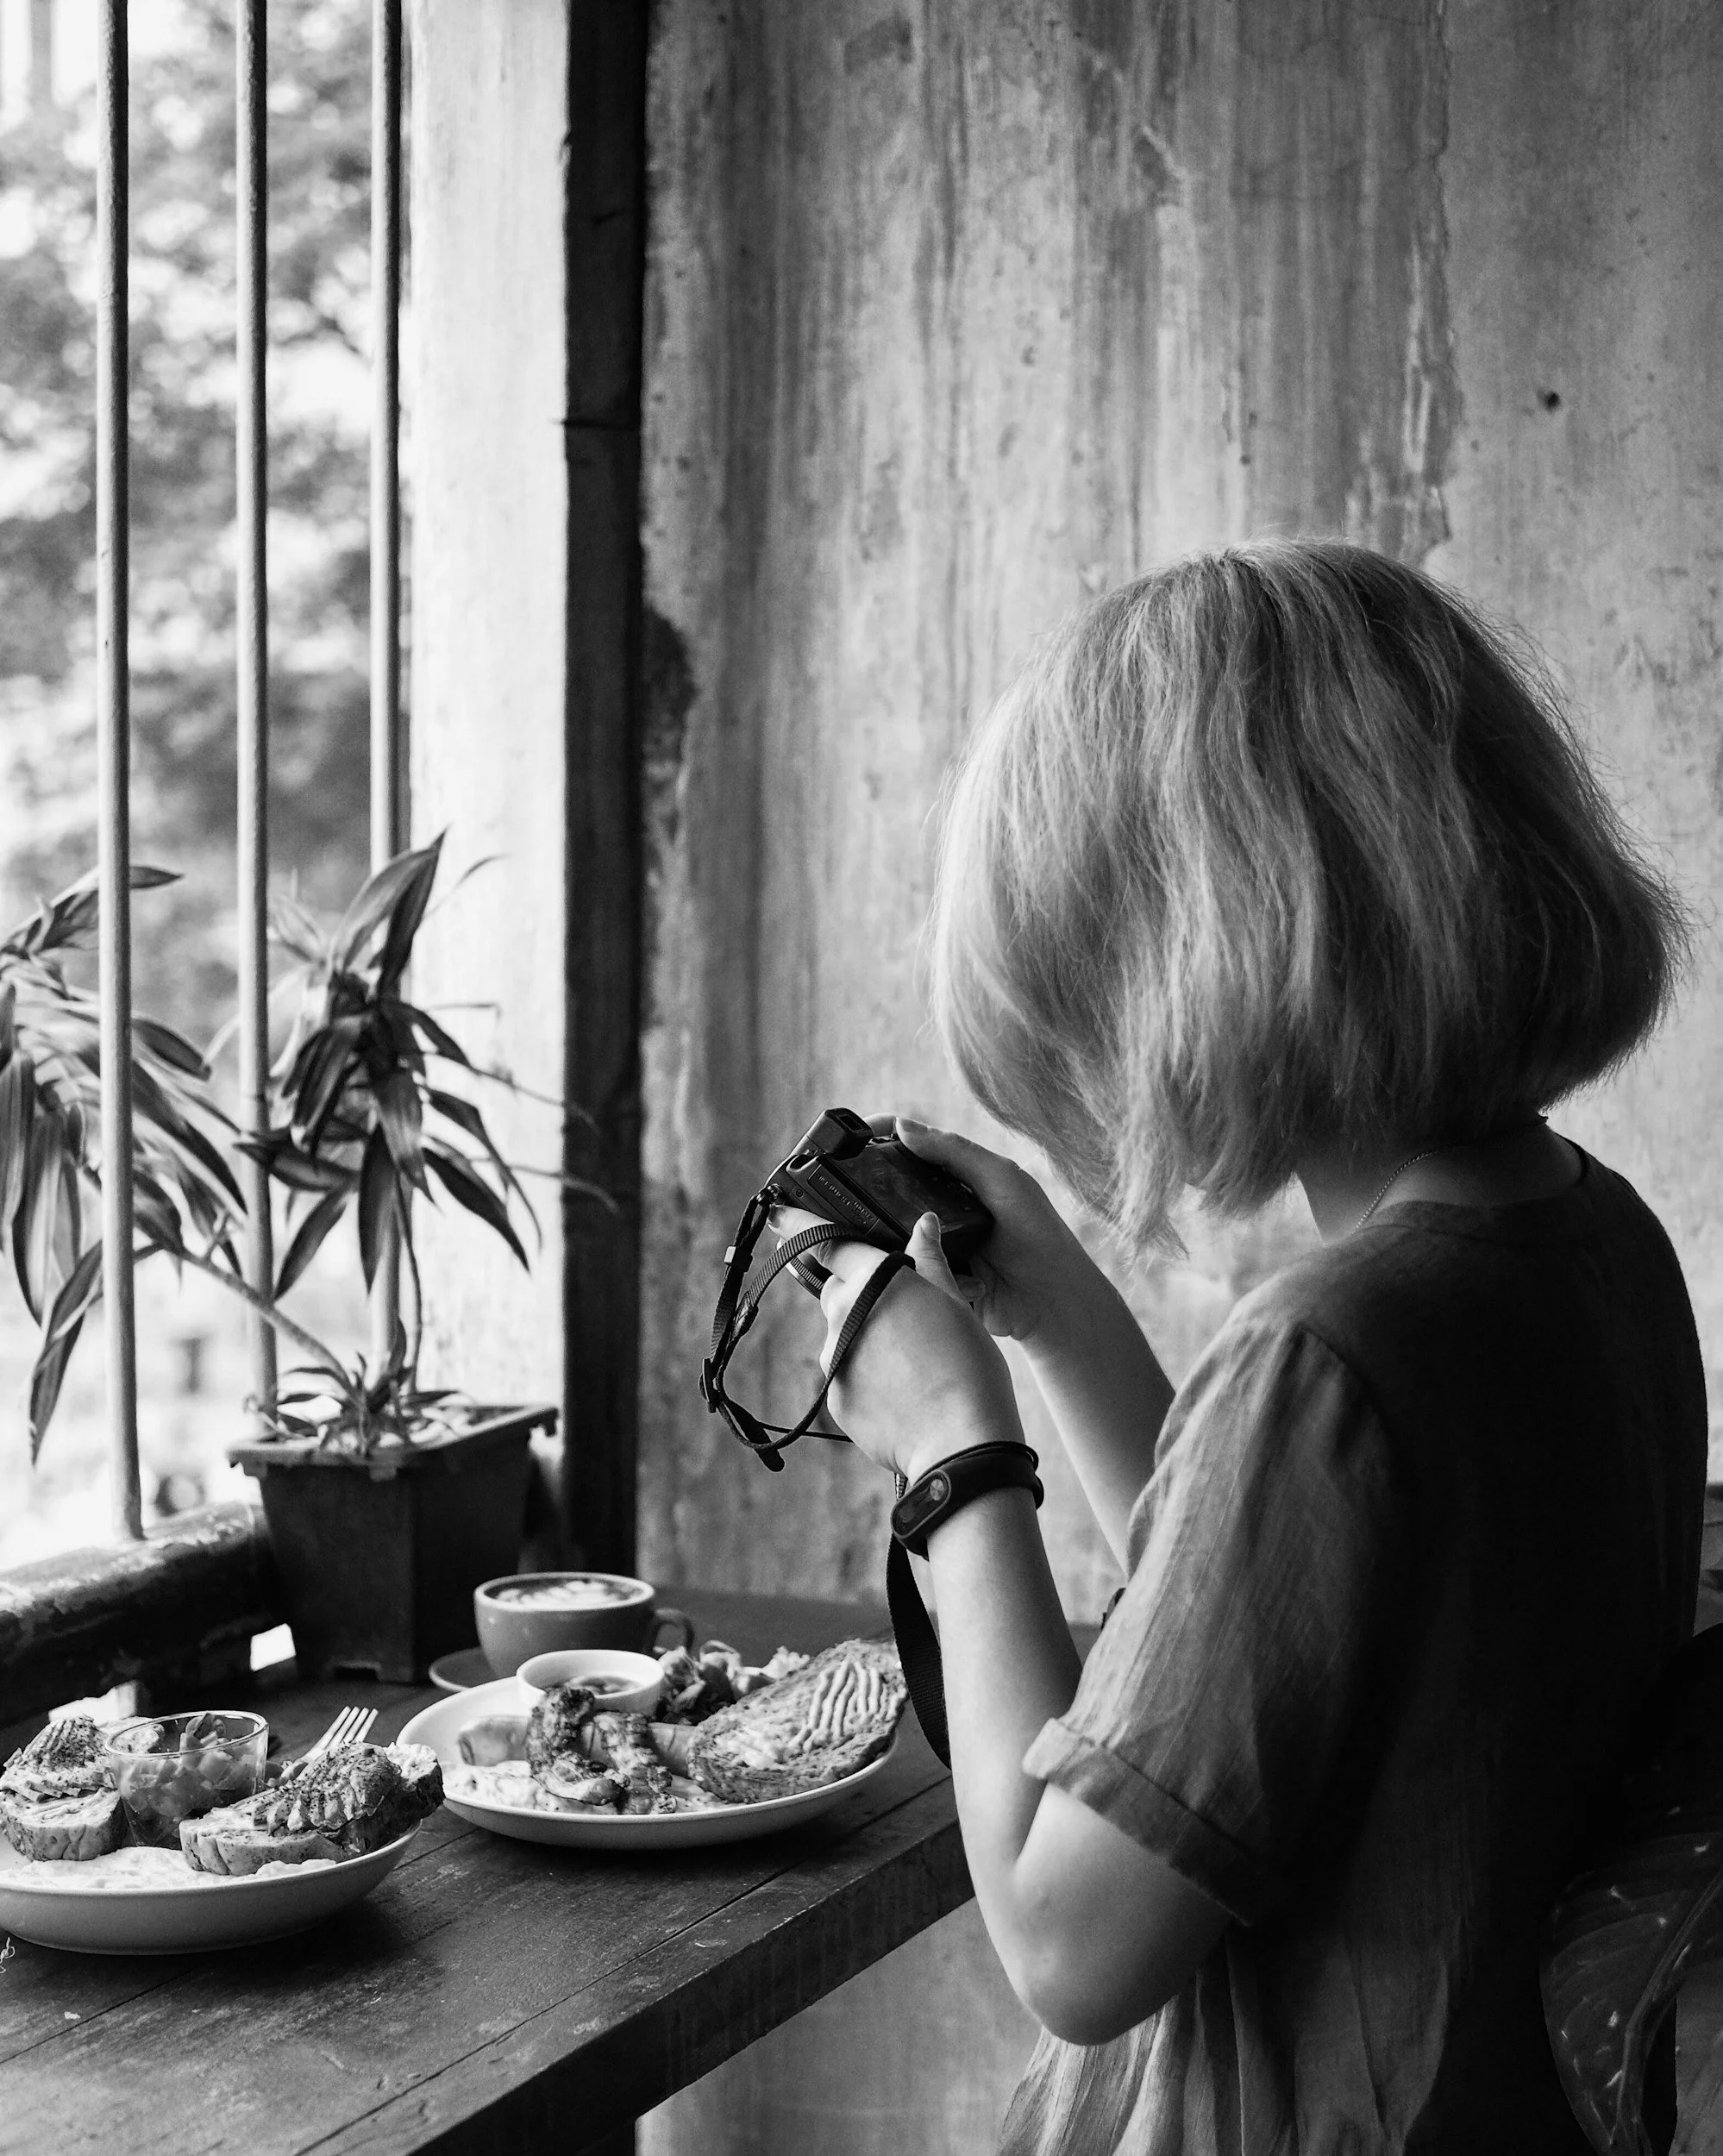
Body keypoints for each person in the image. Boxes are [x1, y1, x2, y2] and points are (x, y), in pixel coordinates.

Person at [773, 541, 1705, 2153]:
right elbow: (1262, 1652)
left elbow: (1070, 1947)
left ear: (1189, 963)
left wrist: (954, 1464)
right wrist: (1060, 1315)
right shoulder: (1588, 1241)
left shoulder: (1330, 1350)